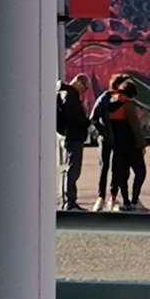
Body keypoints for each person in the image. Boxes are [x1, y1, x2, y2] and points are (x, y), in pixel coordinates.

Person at [89, 73, 129, 211]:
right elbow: (93, 118)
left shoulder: (123, 100)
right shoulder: (105, 99)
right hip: (106, 138)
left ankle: (112, 197)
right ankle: (101, 198)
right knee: (104, 167)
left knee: (116, 168)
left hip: (118, 138)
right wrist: (103, 132)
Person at [107, 80, 149, 212]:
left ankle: (125, 202)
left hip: (117, 145)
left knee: (122, 174)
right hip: (131, 144)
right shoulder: (128, 105)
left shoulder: (110, 102)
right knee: (140, 172)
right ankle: (135, 199)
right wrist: (142, 144)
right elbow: (135, 127)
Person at [56, 74, 91, 211]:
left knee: (71, 168)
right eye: (86, 88)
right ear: (79, 83)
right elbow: (74, 117)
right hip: (73, 136)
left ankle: (69, 200)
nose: (85, 91)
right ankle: (69, 201)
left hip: (71, 135)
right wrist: (87, 122)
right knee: (72, 169)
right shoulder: (69, 95)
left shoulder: (66, 93)